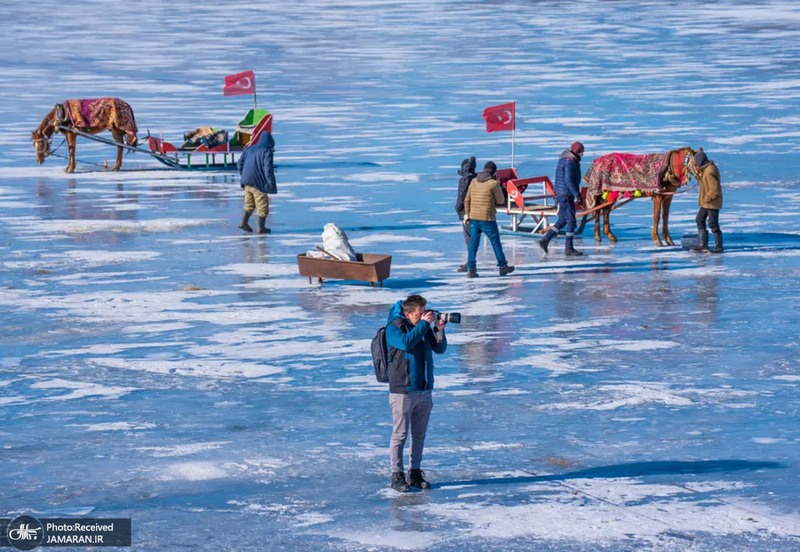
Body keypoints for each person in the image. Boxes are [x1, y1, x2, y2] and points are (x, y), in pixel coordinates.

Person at [385, 294, 447, 492]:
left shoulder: (424, 327)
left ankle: (415, 472)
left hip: (424, 389)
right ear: (407, 313)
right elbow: (405, 343)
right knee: (400, 435)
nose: (424, 316)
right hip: (403, 390)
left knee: (419, 435)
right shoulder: (393, 328)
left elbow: (440, 349)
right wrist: (423, 325)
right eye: (419, 314)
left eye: (424, 312)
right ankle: (397, 475)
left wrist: (439, 331)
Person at [463, 161, 515, 278]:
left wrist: (467, 214)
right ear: (494, 172)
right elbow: (501, 200)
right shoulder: (493, 183)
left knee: (473, 244)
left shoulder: (474, 181)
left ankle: (471, 269)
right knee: (495, 242)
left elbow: (467, 199)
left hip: (474, 217)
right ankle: (502, 266)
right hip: (487, 218)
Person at [538, 142, 585, 257]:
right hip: (565, 194)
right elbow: (568, 181)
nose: (582, 154)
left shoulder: (566, 159)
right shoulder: (570, 162)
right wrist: (577, 194)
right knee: (571, 222)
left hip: (562, 192)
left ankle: (545, 239)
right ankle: (569, 248)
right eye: (581, 152)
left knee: (563, 220)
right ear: (576, 152)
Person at [237, 132, 277, 234]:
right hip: (259, 183)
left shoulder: (249, 149)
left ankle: (243, 223)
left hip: (247, 182)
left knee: (249, 203)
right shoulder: (266, 151)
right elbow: (267, 169)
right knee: (262, 205)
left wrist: (244, 175)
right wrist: (270, 184)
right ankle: (261, 228)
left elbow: (239, 163)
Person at [691, 149, 723, 253]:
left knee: (713, 223)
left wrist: (707, 198)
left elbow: (715, 190)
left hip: (712, 203)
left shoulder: (710, 171)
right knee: (699, 219)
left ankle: (719, 247)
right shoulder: (705, 169)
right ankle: (703, 245)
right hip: (706, 203)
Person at [455, 156, 477, 272]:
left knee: (469, 238)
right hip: (477, 211)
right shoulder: (476, 178)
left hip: (467, 213)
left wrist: (458, 209)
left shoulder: (464, 180)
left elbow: (461, 196)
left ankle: (470, 264)